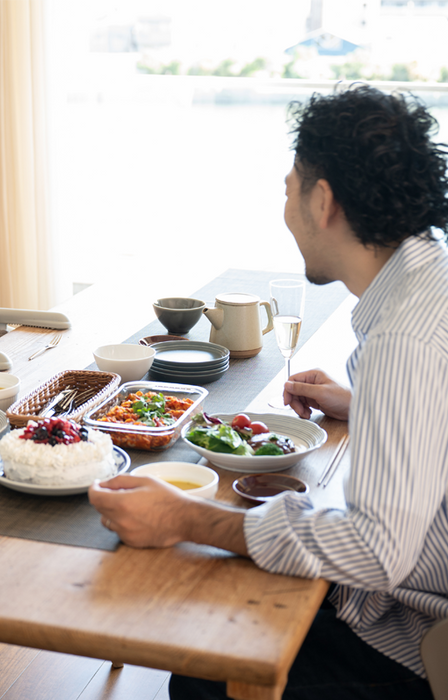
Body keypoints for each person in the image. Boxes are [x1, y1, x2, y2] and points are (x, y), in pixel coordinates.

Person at [89, 84, 448, 699]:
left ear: (324, 200)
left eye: (288, 189)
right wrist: (367, 406)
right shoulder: (429, 276)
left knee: (202, 666)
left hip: (409, 642)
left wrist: (187, 517)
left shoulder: (406, 338)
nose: (285, 207)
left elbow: (375, 550)